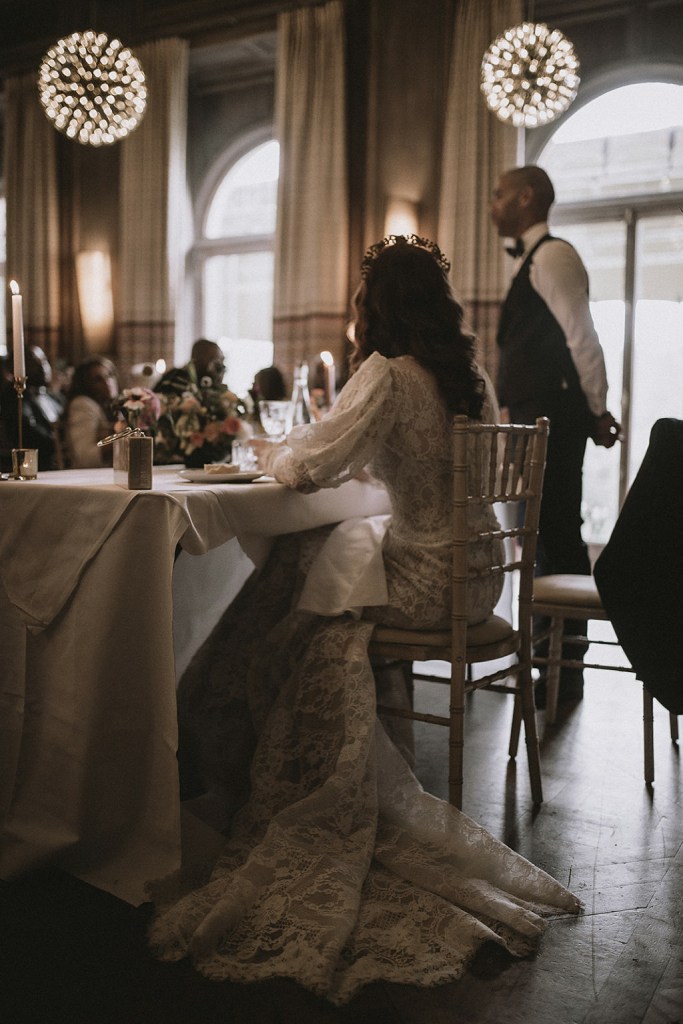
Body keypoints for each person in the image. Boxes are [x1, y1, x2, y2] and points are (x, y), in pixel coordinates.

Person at [148, 235, 580, 1004]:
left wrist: (273, 454)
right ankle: (249, 740)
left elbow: (311, 466)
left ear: (372, 305)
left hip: (431, 582)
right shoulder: (464, 376)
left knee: (310, 606)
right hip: (482, 580)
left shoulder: (384, 372)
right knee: (330, 557)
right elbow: (396, 458)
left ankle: (236, 752)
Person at [491, 165, 621, 706]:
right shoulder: (533, 259)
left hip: (553, 420)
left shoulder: (554, 255)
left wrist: (598, 411)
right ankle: (545, 660)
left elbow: (582, 337)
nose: (493, 204)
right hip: (533, 419)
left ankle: (565, 668)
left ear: (527, 197)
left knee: (556, 536)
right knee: (537, 536)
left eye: (500, 195)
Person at [0, 344, 66, 471]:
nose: (43, 367)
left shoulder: (53, 396)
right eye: (33, 363)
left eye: (44, 361)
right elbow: (27, 431)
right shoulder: (16, 398)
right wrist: (56, 442)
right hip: (38, 465)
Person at [64, 356, 120, 468]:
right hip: (89, 476)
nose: (107, 382)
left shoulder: (113, 406)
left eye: (109, 375)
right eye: (98, 379)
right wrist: (124, 442)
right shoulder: (83, 405)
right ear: (85, 384)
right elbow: (85, 457)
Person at [154, 338, 226, 396]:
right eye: (216, 362)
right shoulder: (178, 377)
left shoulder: (200, 381)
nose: (220, 368)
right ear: (200, 358)